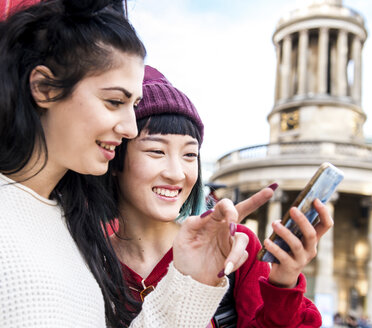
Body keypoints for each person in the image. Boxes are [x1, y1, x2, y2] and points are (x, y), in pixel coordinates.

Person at [0, 1, 269, 327]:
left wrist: (193, 281)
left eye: (133, 104)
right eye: (114, 102)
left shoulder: (73, 229)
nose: (129, 128)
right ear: (43, 88)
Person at [107, 65, 334, 327]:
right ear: (115, 157)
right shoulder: (86, 257)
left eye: (190, 155)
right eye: (157, 151)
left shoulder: (234, 245)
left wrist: (283, 283)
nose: (177, 173)